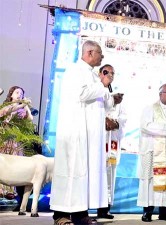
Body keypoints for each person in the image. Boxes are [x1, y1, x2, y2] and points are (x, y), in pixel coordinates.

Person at [50, 40, 122, 225]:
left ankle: (80, 214)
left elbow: (101, 100)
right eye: (100, 54)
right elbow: (82, 94)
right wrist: (103, 84)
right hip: (75, 132)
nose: (102, 57)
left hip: (90, 135)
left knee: (83, 174)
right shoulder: (75, 70)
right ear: (90, 53)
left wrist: (112, 98)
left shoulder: (91, 75)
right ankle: (61, 215)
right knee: (71, 171)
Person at [137, 84, 166, 223]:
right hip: (153, 151)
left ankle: (164, 212)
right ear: (160, 93)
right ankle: (148, 212)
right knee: (151, 180)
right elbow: (146, 126)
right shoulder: (150, 108)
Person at [96, 64, 126, 219]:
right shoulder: (94, 92)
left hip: (111, 142)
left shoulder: (116, 97)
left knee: (109, 175)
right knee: (95, 172)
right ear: (100, 73)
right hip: (97, 141)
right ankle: (89, 207)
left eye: (113, 73)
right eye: (108, 73)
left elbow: (124, 118)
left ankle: (105, 208)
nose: (111, 76)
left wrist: (116, 123)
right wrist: (103, 120)